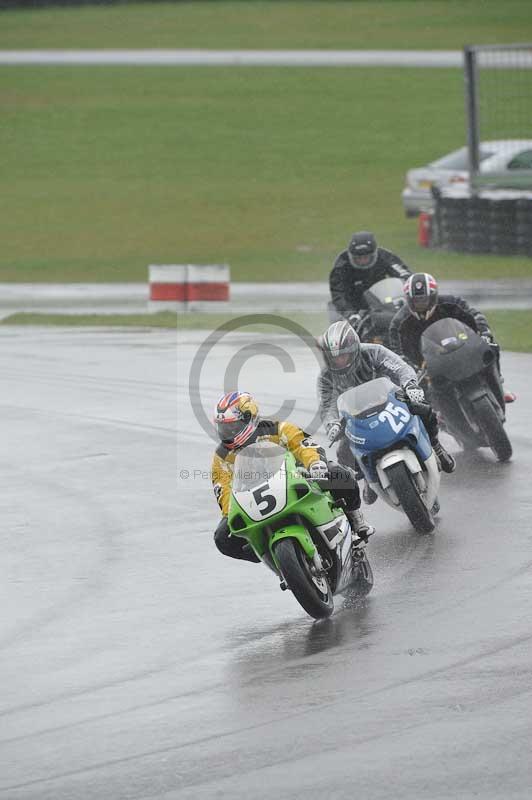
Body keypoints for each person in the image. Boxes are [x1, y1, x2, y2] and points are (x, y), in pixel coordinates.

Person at [211, 391, 375, 563]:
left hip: (298, 479)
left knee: (339, 473)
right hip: (255, 499)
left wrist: (315, 464)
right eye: (223, 428)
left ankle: (356, 519)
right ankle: (266, 554)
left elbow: (302, 445)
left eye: (232, 427)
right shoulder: (221, 455)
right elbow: (222, 486)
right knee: (222, 538)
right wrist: (229, 512)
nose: (227, 433)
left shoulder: (277, 429)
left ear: (249, 418)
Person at [317, 321, 456, 505]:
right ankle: (368, 477)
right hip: (357, 418)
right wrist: (332, 424)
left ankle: (436, 445)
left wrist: (410, 385)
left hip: (391, 402)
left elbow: (401, 368)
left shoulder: (373, 351)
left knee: (422, 408)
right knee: (343, 451)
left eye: (344, 355)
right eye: (335, 357)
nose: (340, 361)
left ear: (355, 349)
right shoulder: (326, 376)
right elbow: (327, 404)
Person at [388, 272, 516, 403]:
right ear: (409, 300)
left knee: (491, 347)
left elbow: (475, 315)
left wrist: (484, 332)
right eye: (416, 301)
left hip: (459, 345)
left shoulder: (451, 302)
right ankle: (437, 409)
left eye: (424, 300)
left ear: (433, 297)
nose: (421, 304)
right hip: (425, 364)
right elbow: (396, 351)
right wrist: (411, 368)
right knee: (415, 397)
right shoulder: (399, 321)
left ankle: (499, 385)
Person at [329, 231, 411, 327]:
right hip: (352, 306)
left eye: (366, 257)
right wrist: (350, 314)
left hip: (381, 303)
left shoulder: (384, 256)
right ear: (351, 256)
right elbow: (338, 294)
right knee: (340, 324)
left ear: (374, 254)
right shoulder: (341, 265)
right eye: (358, 258)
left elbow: (404, 274)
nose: (362, 261)